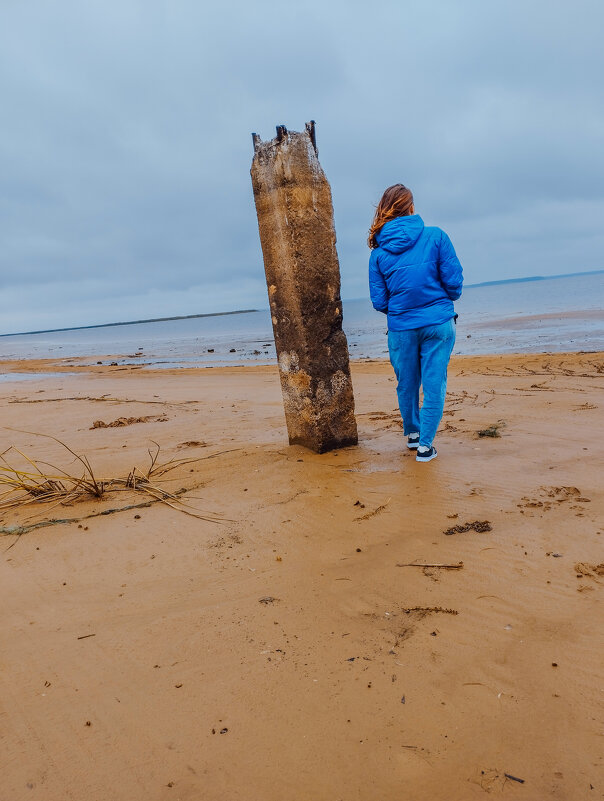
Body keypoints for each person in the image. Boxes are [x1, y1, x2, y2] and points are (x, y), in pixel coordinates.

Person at [368, 184, 463, 462]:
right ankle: (425, 446)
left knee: (407, 383)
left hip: (401, 327)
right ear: (410, 207)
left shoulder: (378, 253)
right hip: (438, 323)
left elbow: (379, 301)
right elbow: (454, 283)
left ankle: (412, 434)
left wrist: (402, 309)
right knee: (434, 382)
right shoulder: (436, 236)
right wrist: (440, 300)